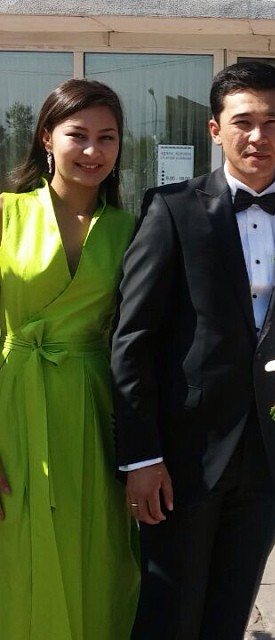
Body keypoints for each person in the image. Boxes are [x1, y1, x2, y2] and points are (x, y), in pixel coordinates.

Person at [111, 61, 275, 639]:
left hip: (267, 452)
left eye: (272, 122)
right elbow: (133, 341)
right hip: (183, 453)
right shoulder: (172, 209)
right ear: (215, 129)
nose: (258, 136)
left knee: (231, 609)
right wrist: (140, 457)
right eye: (243, 122)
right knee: (169, 611)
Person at [0, 79, 139, 639]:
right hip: (13, 399)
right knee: (16, 549)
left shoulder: (130, 230)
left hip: (93, 406)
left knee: (95, 549)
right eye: (77, 135)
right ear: (46, 138)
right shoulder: (6, 213)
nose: (92, 150)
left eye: (107, 137)